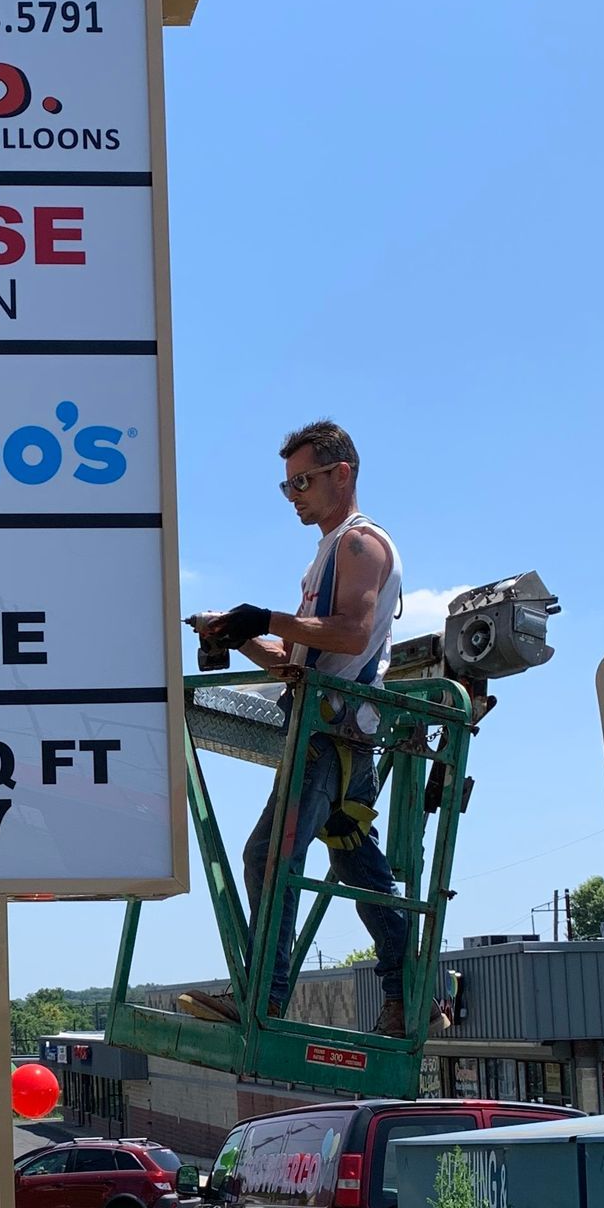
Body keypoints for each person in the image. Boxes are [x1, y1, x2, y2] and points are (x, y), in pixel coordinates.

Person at [183, 419, 410, 1039]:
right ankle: (411, 994)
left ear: (343, 473)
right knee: (362, 871)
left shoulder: (360, 545)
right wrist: (244, 634)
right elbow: (301, 665)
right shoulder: (329, 552)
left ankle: (267, 995)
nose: (296, 496)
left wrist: (269, 615)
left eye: (303, 481)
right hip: (334, 729)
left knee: (268, 856)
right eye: (287, 487)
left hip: (330, 735)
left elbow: (353, 633)